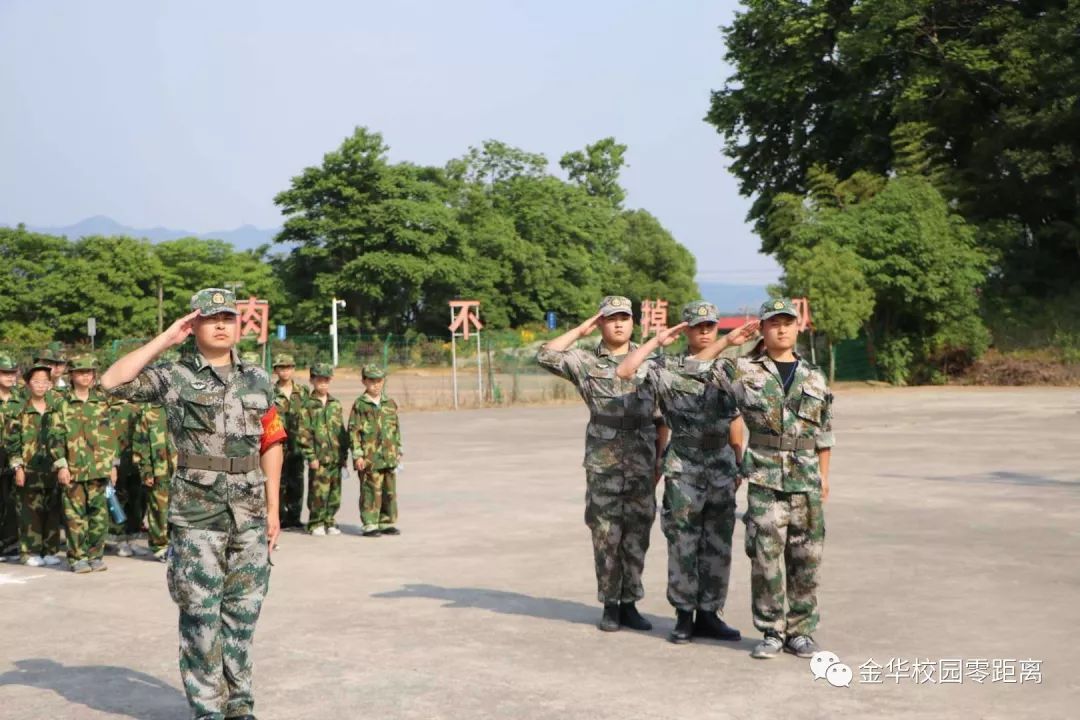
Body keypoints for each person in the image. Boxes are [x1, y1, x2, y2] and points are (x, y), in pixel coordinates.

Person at [100, 287, 285, 720]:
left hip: (251, 510)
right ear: (194, 324)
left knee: (243, 613)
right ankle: (208, 710)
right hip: (198, 510)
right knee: (201, 615)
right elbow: (112, 383)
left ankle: (240, 707)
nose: (221, 324)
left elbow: (272, 440)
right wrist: (165, 339)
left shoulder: (258, 377)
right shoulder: (175, 375)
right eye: (210, 317)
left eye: (228, 317)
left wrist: (274, 507)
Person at [691, 298, 834, 659]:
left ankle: (801, 631)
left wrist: (825, 478)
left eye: (788, 322)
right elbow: (695, 368)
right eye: (774, 323)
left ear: (798, 327)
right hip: (765, 479)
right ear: (763, 329)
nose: (782, 328)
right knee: (765, 559)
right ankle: (771, 630)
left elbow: (825, 432)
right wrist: (728, 340)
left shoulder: (814, 375)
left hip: (806, 480)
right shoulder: (743, 370)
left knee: (806, 560)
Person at [616, 302, 759, 644]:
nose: (705, 331)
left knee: (718, 541)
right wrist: (655, 341)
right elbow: (624, 371)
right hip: (685, 463)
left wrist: (738, 458)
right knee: (683, 540)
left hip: (721, 460)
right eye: (697, 326)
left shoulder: (728, 367)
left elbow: (736, 417)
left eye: (711, 325)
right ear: (686, 329)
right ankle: (683, 614)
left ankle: (709, 614)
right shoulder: (668, 367)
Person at [536, 296, 667, 632]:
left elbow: (662, 417)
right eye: (610, 319)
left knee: (637, 533)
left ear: (633, 322)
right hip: (603, 461)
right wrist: (581, 330)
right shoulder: (584, 362)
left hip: (642, 457)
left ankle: (630, 602)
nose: (618, 324)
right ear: (601, 323)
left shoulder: (653, 361)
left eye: (624, 317)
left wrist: (660, 458)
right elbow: (546, 355)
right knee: (606, 534)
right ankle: (610, 603)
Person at [49, 355, 118, 573]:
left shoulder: (101, 402)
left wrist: (113, 464)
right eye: (81, 372)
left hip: (99, 469)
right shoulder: (61, 404)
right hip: (73, 470)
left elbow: (110, 435)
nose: (86, 376)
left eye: (89, 372)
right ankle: (77, 557)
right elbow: (55, 437)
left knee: (99, 515)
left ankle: (95, 555)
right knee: (74, 516)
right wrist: (61, 465)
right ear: (72, 376)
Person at [5, 361, 63, 566]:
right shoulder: (19, 410)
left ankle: (50, 550)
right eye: (36, 381)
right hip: (28, 469)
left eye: (45, 381)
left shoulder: (57, 408)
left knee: (52, 510)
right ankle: (30, 551)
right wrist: (18, 467)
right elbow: (12, 442)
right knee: (30, 512)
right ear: (28, 384)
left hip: (52, 468)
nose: (40, 385)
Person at [348, 364, 402, 538]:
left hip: (389, 455)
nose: (376, 385)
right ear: (364, 381)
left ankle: (386, 521)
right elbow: (353, 431)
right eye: (372, 381)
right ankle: (370, 523)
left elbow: (395, 428)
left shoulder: (389, 403)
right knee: (370, 491)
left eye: (379, 381)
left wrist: (398, 448)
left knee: (389, 490)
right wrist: (357, 455)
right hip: (370, 457)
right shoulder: (360, 404)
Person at [297, 363, 348, 536]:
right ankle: (316, 522)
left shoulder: (335, 404)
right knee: (318, 492)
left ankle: (330, 520)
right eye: (319, 380)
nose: (323, 383)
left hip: (335, 457)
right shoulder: (307, 406)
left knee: (334, 492)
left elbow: (341, 431)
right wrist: (310, 456)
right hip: (318, 458)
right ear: (312, 380)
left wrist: (344, 455)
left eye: (326, 380)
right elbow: (303, 433)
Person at [132, 394, 177, 563]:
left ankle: (178, 545)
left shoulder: (182, 407)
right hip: (159, 470)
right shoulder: (149, 411)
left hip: (182, 469)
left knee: (181, 509)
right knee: (159, 509)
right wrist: (145, 470)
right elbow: (140, 443)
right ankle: (160, 547)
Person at [271, 354, 307, 530]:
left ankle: (294, 517)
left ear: (293, 369)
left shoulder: (303, 392)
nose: (285, 371)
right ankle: (279, 517)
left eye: (288, 367)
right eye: (281, 367)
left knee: (297, 480)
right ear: (276, 370)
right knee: (278, 481)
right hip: (277, 444)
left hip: (299, 443)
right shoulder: (270, 392)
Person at [0, 353, 24, 559]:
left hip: (15, 456)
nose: (10, 376)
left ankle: (10, 543)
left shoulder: (20, 399)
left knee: (13, 500)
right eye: (5, 372)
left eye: (12, 372)